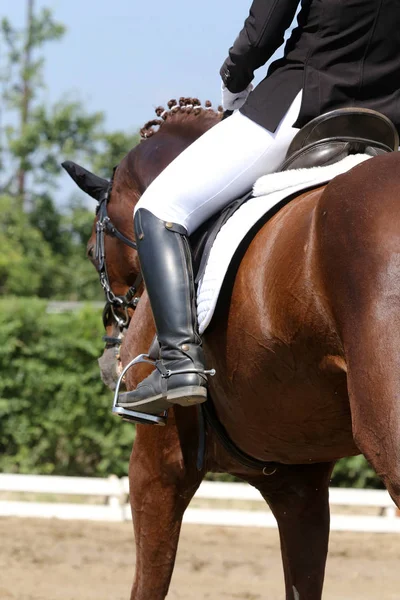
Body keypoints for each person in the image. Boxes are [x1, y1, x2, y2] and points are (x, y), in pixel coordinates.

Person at [119, 0, 400, 415]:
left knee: (159, 208)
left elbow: (263, 28)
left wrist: (234, 83)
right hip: (389, 119)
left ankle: (178, 363)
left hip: (306, 102)